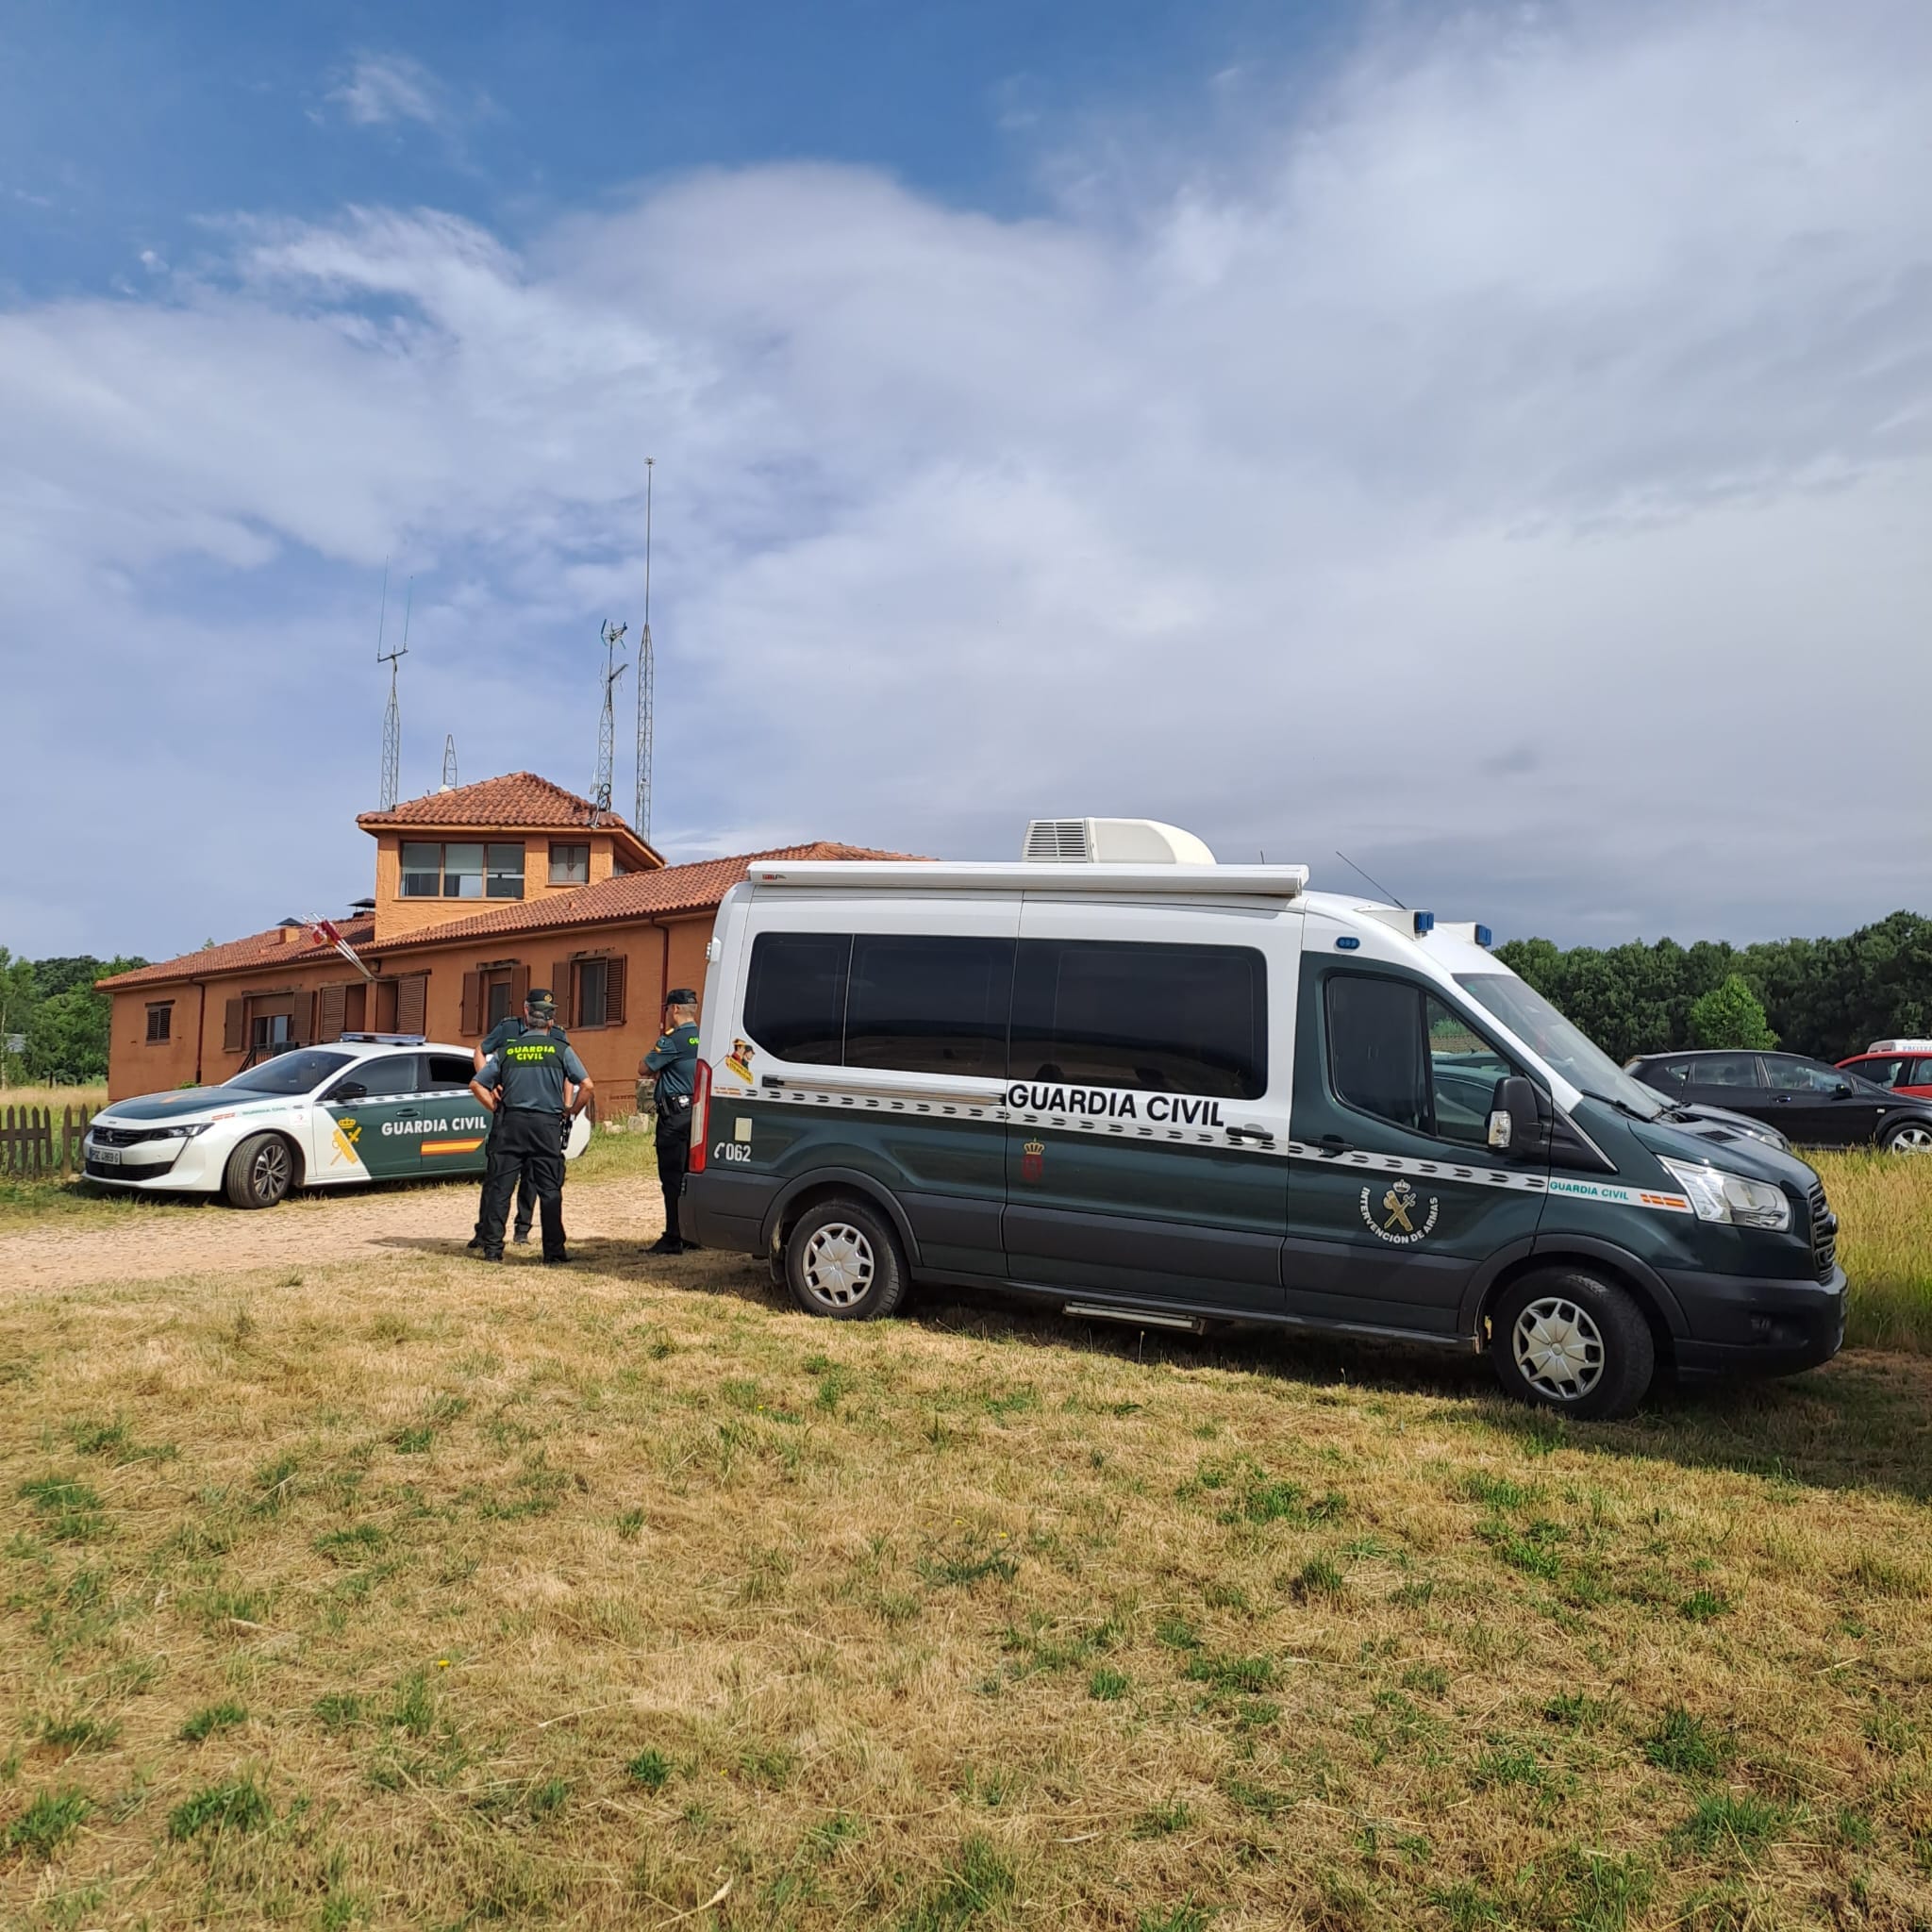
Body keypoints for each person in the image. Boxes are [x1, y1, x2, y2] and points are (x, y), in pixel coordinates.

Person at [469, 990, 591, 1264]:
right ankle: (553, 1252)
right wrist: (571, 1110)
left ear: (527, 1016)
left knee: (501, 1188)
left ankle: (492, 1250)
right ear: (549, 1021)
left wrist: (494, 1107)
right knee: (549, 1189)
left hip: (510, 1124)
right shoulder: (561, 1049)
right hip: (545, 1126)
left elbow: (477, 1083)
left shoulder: (508, 1049)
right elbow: (587, 1085)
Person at [641, 988, 702, 1255]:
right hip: (699, 1115)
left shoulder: (671, 1041)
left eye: (667, 1009)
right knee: (693, 1175)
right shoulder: (707, 1036)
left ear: (675, 1010)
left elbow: (644, 1068)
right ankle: (694, 1234)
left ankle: (673, 1235)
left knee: (672, 1177)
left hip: (674, 1117)